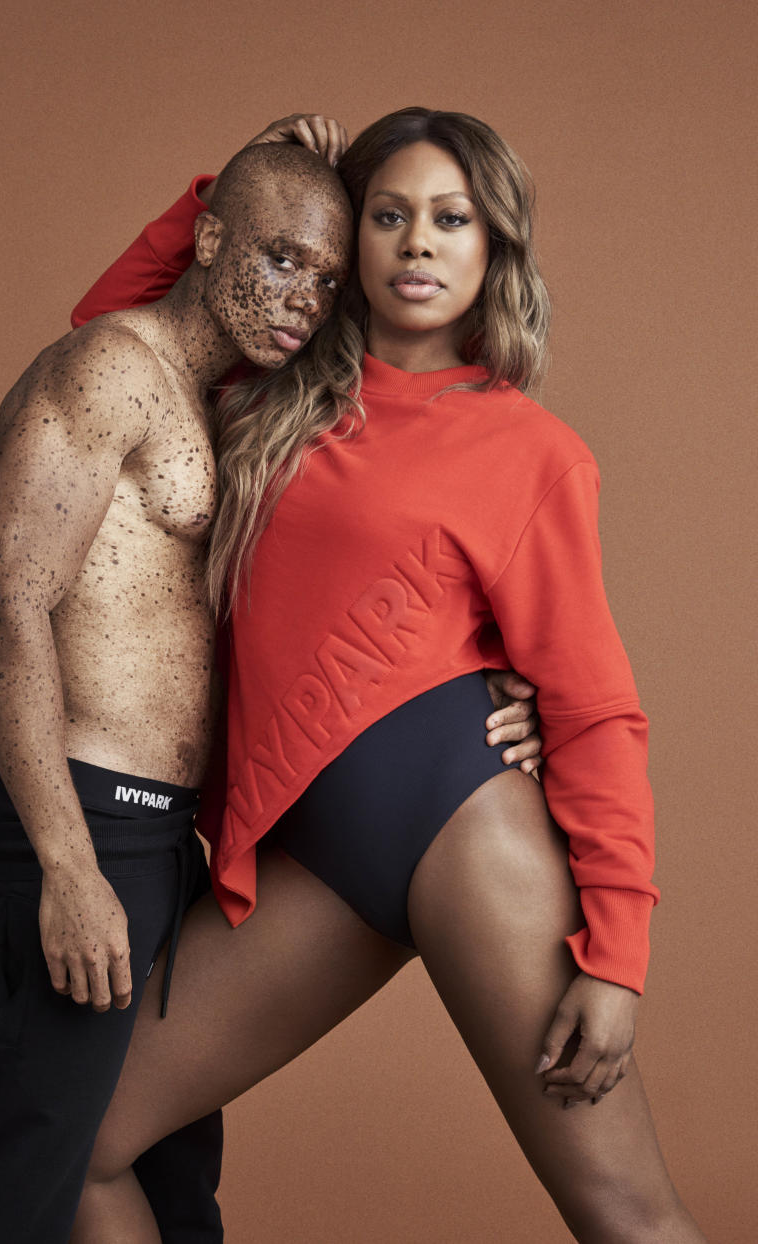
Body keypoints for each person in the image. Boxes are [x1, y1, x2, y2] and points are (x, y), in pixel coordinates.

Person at [65, 112, 706, 1242]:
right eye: (389, 214)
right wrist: (244, 183)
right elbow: (108, 333)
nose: (418, 243)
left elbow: (596, 705)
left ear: (491, 247)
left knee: (626, 1213)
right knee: (78, 1143)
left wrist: (619, 956)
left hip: (462, 819)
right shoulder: (262, 394)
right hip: (306, 851)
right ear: (347, 238)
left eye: (451, 219)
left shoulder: (530, 451)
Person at [0, 130, 540, 1244]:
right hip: (90, 817)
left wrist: (494, 677)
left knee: (159, 1173)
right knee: (14, 1179)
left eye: (325, 278)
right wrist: (67, 864)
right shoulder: (105, 368)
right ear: (204, 237)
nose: (304, 299)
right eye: (279, 259)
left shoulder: (225, 399)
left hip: (160, 835)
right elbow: (3, 602)